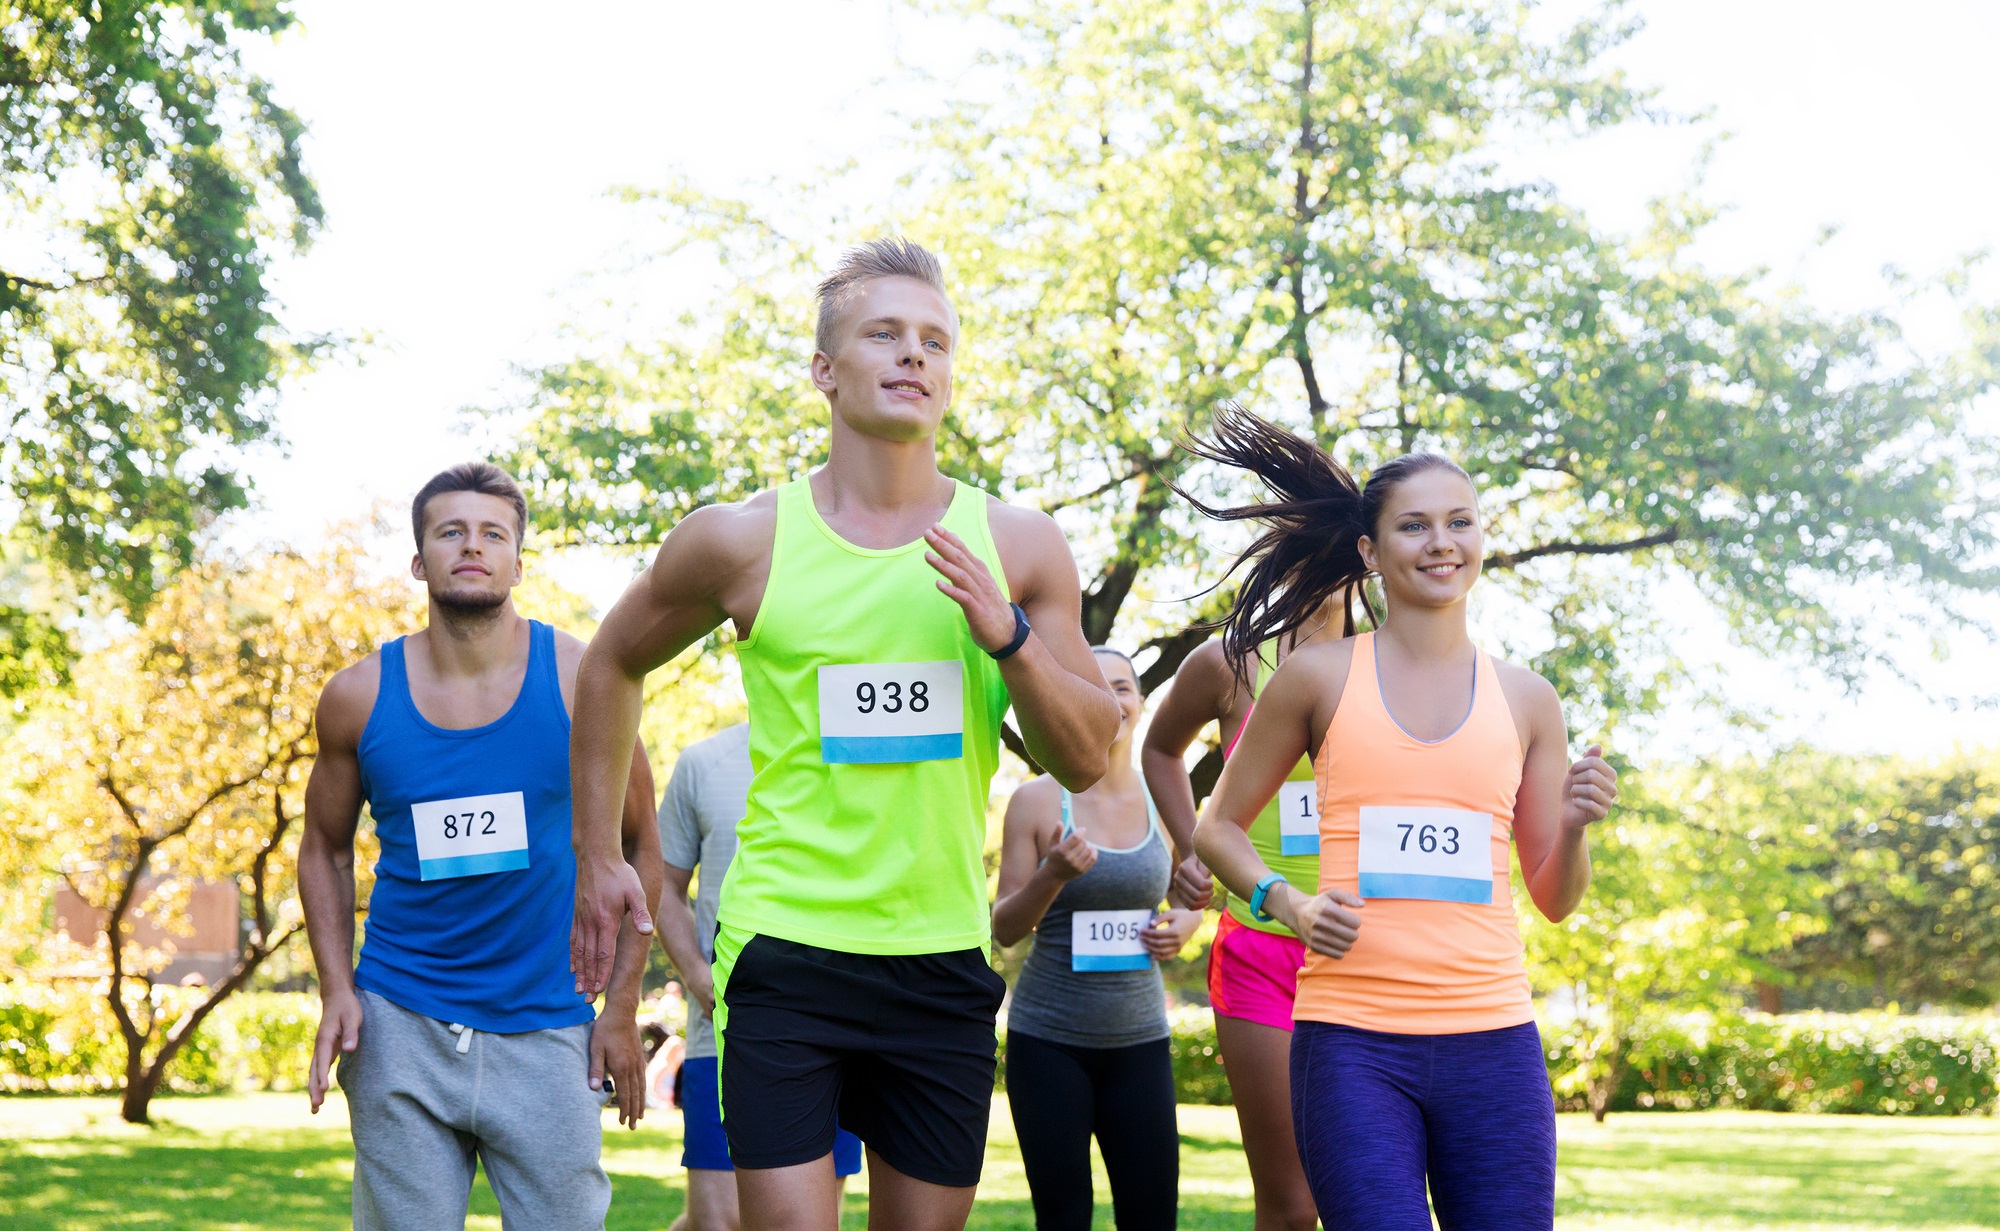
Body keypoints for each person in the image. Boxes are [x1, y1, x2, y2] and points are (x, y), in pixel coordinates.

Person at [565, 238, 1122, 1231]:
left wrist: (1009, 636)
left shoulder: (1022, 546)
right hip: (786, 949)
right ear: (825, 370)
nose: (916, 355)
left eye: (935, 341)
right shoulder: (741, 540)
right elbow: (610, 661)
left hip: (941, 953)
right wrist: (597, 852)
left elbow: (1086, 754)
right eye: (885, 335)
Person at [1184, 407, 1618, 1231]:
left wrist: (1575, 826)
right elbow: (1217, 828)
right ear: (1370, 553)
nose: (1441, 542)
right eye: (1413, 526)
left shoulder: (1529, 700)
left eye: (1460, 522)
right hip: (1352, 1042)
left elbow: (1555, 895)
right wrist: (1290, 903)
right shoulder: (1315, 677)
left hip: (1494, 1040)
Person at [299, 463, 665, 1231]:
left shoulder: (584, 679)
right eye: (451, 531)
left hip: (548, 1018)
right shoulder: (358, 696)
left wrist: (622, 1007)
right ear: (419, 559)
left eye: (493, 533)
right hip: (400, 1019)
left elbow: (641, 846)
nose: (473, 546)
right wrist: (337, 985)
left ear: (518, 562)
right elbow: (324, 848)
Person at [1140, 595, 1353, 1231]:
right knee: (1293, 1206)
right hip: (1261, 950)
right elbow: (1159, 749)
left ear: (1366, 545)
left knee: (1364, 1196)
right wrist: (1192, 846)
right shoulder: (1229, 664)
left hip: (1369, 951)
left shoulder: (1391, 661)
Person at [993, 647, 1201, 1231]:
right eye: (1095, 685)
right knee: (1063, 1218)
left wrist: (1186, 922)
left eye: (1123, 687)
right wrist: (1053, 874)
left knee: (1152, 1215)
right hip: (1048, 1043)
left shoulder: (1167, 799)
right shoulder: (1037, 800)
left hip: (1140, 1043)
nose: (1112, 698)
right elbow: (1005, 929)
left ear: (1140, 702)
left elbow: (1200, 890)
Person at [655, 722, 865, 1231]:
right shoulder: (706, 761)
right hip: (722, 1032)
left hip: (839, 1033)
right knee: (717, 1223)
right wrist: (699, 976)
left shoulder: (862, 740)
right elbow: (661, 883)